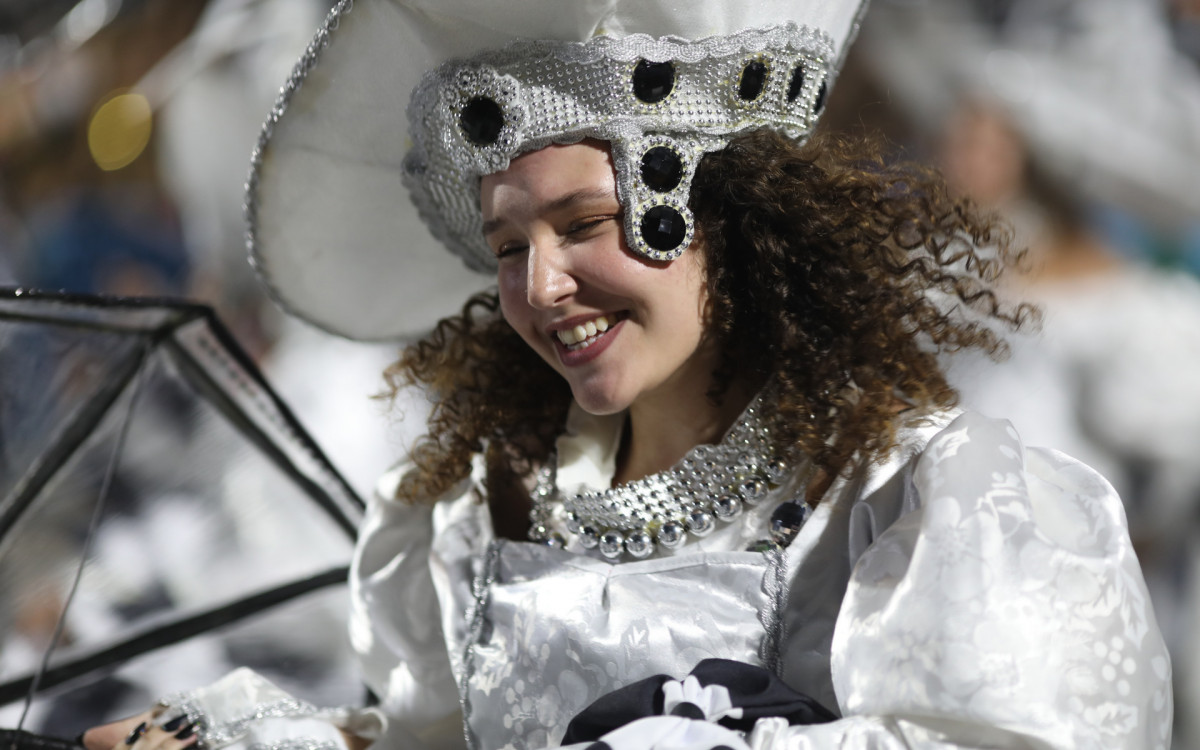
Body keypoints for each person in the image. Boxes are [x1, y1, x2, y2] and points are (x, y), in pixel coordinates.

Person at [83, 0, 1173, 748]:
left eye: (586, 224)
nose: (543, 286)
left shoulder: (914, 507)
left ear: (734, 222)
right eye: (508, 248)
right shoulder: (473, 512)